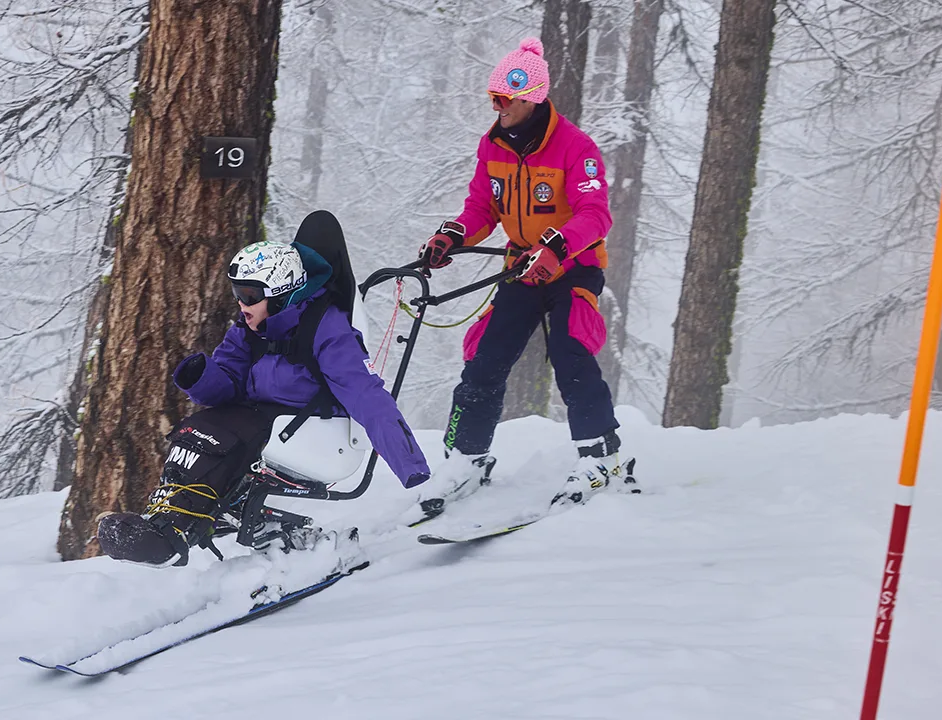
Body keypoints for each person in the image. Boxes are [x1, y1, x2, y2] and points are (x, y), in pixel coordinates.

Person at [99, 211, 430, 567]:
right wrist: (202, 378)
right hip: (264, 416)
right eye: (237, 292)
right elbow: (227, 379)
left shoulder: (327, 328)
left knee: (224, 438)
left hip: (315, 425)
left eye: (249, 294)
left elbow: (366, 394)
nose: (241, 304)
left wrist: (409, 463)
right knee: (196, 430)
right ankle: (165, 516)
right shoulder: (248, 328)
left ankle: (172, 532)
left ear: (281, 294)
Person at [419, 36, 638, 508]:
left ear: (531, 98)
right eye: (493, 98)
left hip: (573, 267)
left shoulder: (575, 148)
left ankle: (601, 457)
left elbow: (596, 213)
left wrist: (555, 245)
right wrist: (453, 235)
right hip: (522, 267)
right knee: (485, 360)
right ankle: (465, 461)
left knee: (570, 352)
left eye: (504, 98)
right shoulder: (492, 144)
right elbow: (481, 205)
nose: (496, 106)